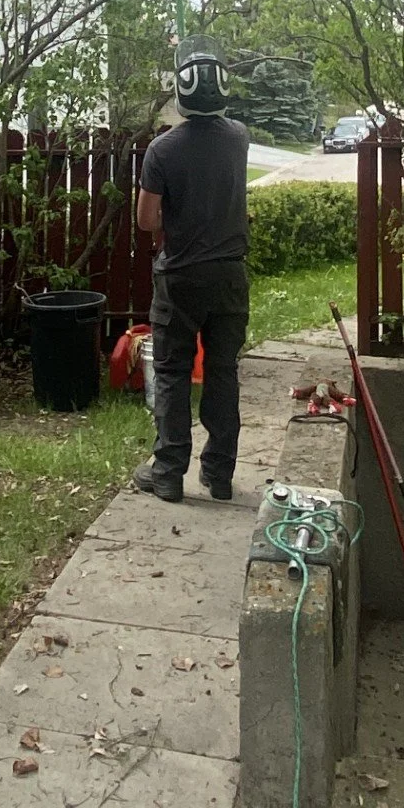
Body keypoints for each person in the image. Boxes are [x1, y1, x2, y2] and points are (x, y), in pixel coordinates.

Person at [132, 35, 250, 503]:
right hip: (230, 276)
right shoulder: (238, 138)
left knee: (172, 371)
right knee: (223, 371)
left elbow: (146, 220)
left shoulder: (162, 150)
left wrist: (174, 218)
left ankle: (167, 473)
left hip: (180, 277)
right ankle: (219, 475)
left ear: (181, 91)